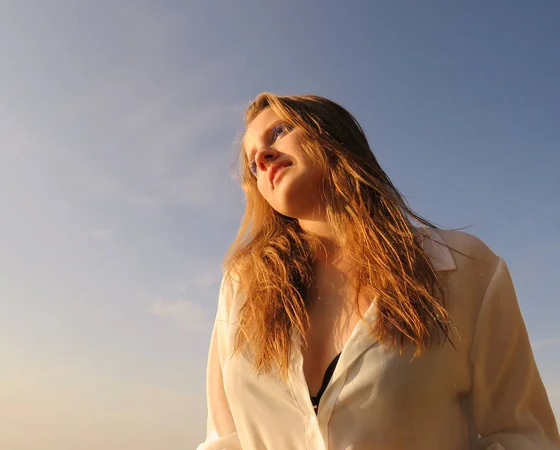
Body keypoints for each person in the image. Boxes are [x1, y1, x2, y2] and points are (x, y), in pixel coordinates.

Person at [196, 93, 559, 450]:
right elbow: (225, 441)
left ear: (332, 134)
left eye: (279, 131)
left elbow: (525, 437)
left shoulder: (464, 266)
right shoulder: (242, 286)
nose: (262, 155)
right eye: (252, 163)